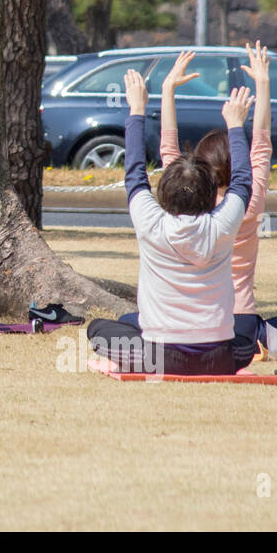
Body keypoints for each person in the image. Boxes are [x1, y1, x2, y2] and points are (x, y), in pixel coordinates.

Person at [87, 70, 254, 375]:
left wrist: (137, 109)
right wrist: (235, 125)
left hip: (159, 356)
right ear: (210, 195)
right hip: (220, 357)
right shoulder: (222, 225)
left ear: (163, 193)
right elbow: (243, 180)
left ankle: (121, 359)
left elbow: (134, 173)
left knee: (98, 330)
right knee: (247, 330)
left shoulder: (151, 222)